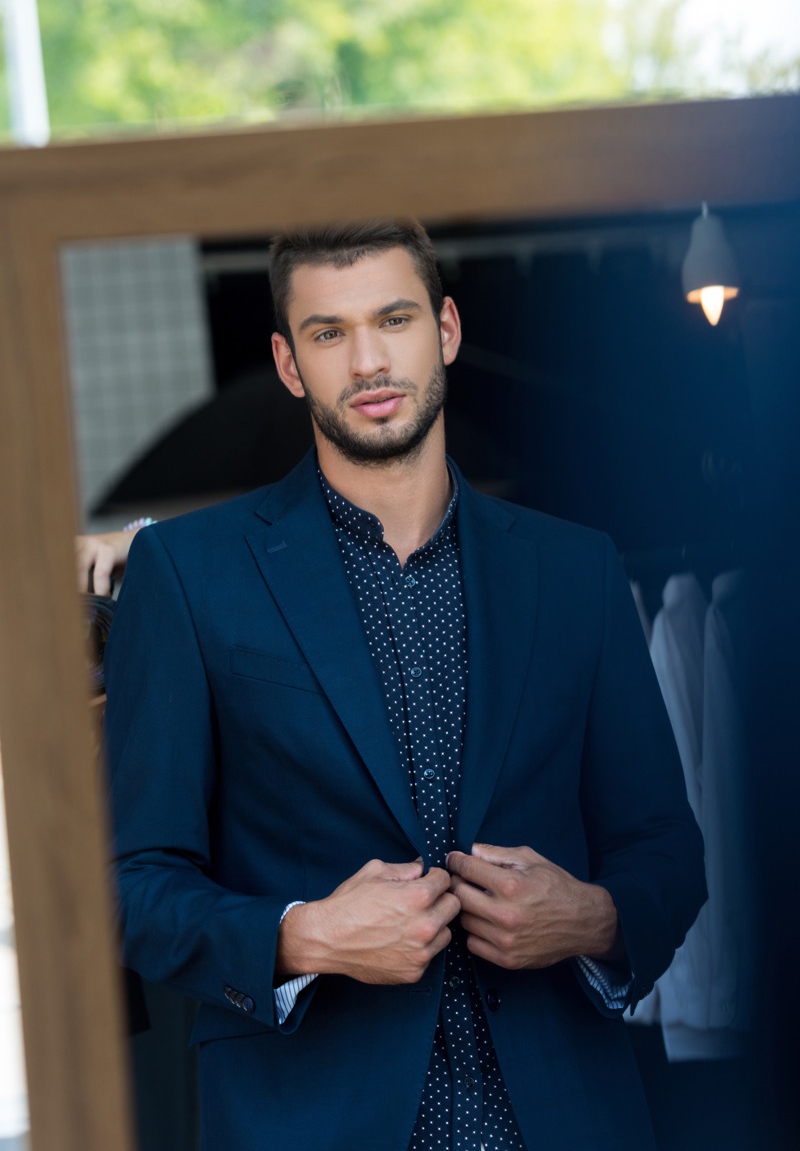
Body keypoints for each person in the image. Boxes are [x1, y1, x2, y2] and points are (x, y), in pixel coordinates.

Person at [103, 219, 706, 1151]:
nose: (370, 361)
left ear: (448, 329)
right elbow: (134, 885)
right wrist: (303, 937)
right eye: (329, 333)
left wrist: (593, 916)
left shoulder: (575, 569)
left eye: (394, 318)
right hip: (306, 1119)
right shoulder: (188, 573)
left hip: (563, 1117)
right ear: (288, 362)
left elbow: (667, 849)